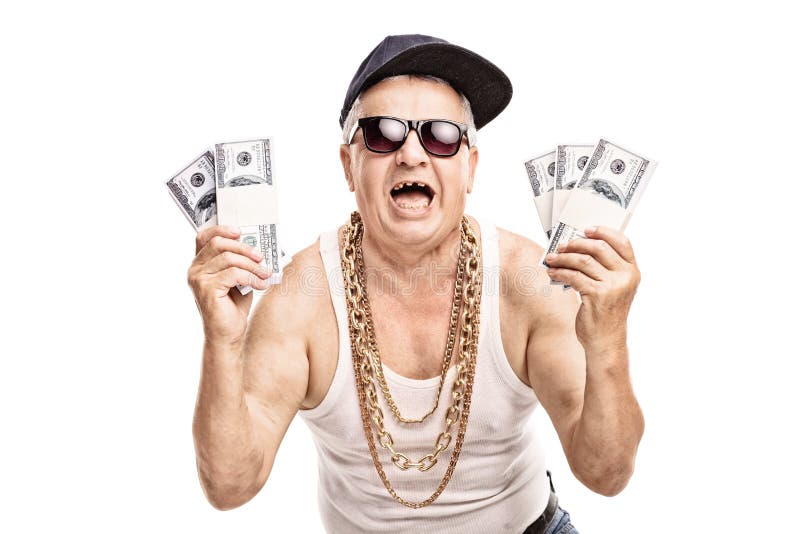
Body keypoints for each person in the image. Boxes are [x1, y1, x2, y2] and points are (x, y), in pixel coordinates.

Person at [188, 34, 645, 534]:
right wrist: (223, 339)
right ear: (348, 165)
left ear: (469, 167)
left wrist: (607, 338)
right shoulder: (300, 299)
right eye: (383, 134)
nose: (411, 154)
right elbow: (229, 487)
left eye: (441, 136)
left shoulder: (529, 282)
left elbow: (607, 474)